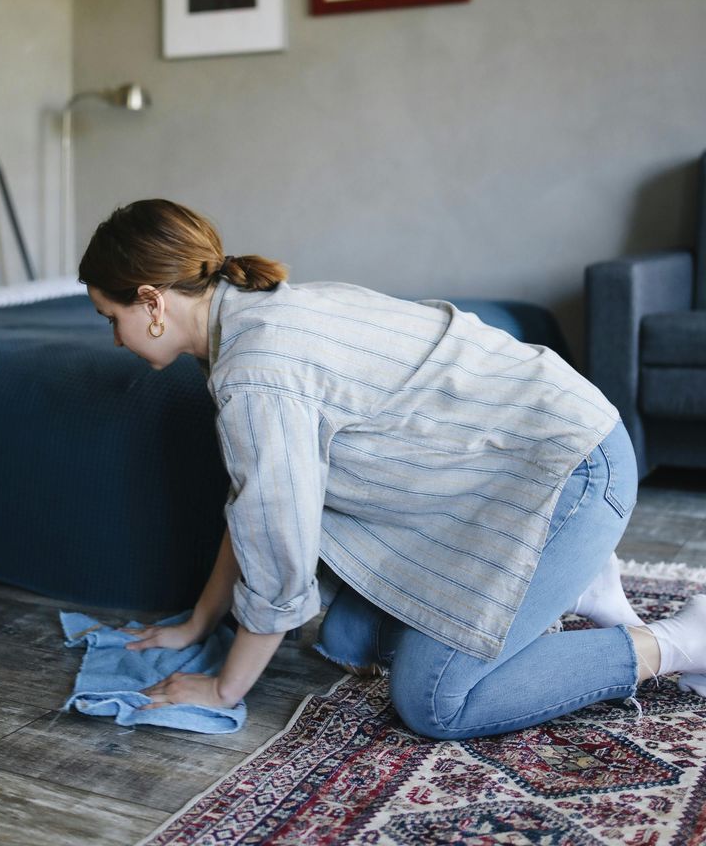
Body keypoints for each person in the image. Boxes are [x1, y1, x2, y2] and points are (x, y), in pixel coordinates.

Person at [78, 198, 706, 739]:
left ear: (152, 301)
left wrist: (224, 690)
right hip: (509, 472)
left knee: (436, 703)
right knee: (349, 639)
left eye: (113, 319)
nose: (115, 339)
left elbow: (278, 547)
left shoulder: (255, 370)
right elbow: (256, 508)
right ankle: (575, 582)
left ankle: (678, 641)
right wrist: (198, 624)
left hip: (571, 470)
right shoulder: (253, 313)